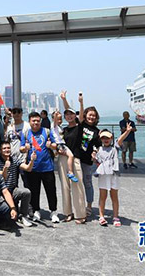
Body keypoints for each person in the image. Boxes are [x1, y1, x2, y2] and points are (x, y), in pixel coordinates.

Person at [20, 112, 59, 223]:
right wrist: (25, 148)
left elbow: (55, 145)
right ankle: (36, 210)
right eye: (33, 121)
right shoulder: (26, 133)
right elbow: (21, 148)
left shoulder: (46, 131)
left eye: (38, 120)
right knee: (34, 191)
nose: (36, 123)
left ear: (40, 121)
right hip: (32, 168)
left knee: (51, 190)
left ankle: (53, 211)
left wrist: (50, 145)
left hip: (47, 167)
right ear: (29, 121)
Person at [92, 124, 133, 227]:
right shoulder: (98, 149)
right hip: (103, 175)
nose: (105, 140)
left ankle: (115, 216)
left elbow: (120, 139)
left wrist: (127, 131)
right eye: (103, 138)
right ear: (101, 139)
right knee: (103, 196)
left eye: (108, 138)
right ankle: (102, 216)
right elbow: (96, 161)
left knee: (114, 196)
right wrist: (94, 158)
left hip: (114, 174)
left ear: (111, 138)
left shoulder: (115, 147)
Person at [58, 95, 87, 224]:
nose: (69, 116)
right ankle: (68, 213)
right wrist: (58, 150)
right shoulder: (63, 130)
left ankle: (80, 214)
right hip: (62, 159)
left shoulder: (79, 127)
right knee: (65, 187)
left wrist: (80, 103)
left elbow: (81, 117)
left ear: (75, 116)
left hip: (75, 159)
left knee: (77, 186)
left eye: (71, 114)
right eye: (67, 115)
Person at [0, 141, 36, 227]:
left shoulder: (14, 159)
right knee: (7, 213)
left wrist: (32, 160)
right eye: (4, 148)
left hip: (12, 189)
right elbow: (3, 176)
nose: (7, 150)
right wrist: (5, 168)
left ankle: (23, 216)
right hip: (1, 193)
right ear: (0, 150)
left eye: (8, 148)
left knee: (26, 192)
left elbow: (28, 168)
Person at [49, 111, 78, 182]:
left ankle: (70, 172)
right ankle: (70, 172)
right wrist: (55, 115)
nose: (59, 121)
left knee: (69, 156)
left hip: (61, 144)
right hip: (60, 144)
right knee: (71, 156)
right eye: (58, 119)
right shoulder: (54, 126)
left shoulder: (60, 127)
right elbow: (54, 121)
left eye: (61, 119)